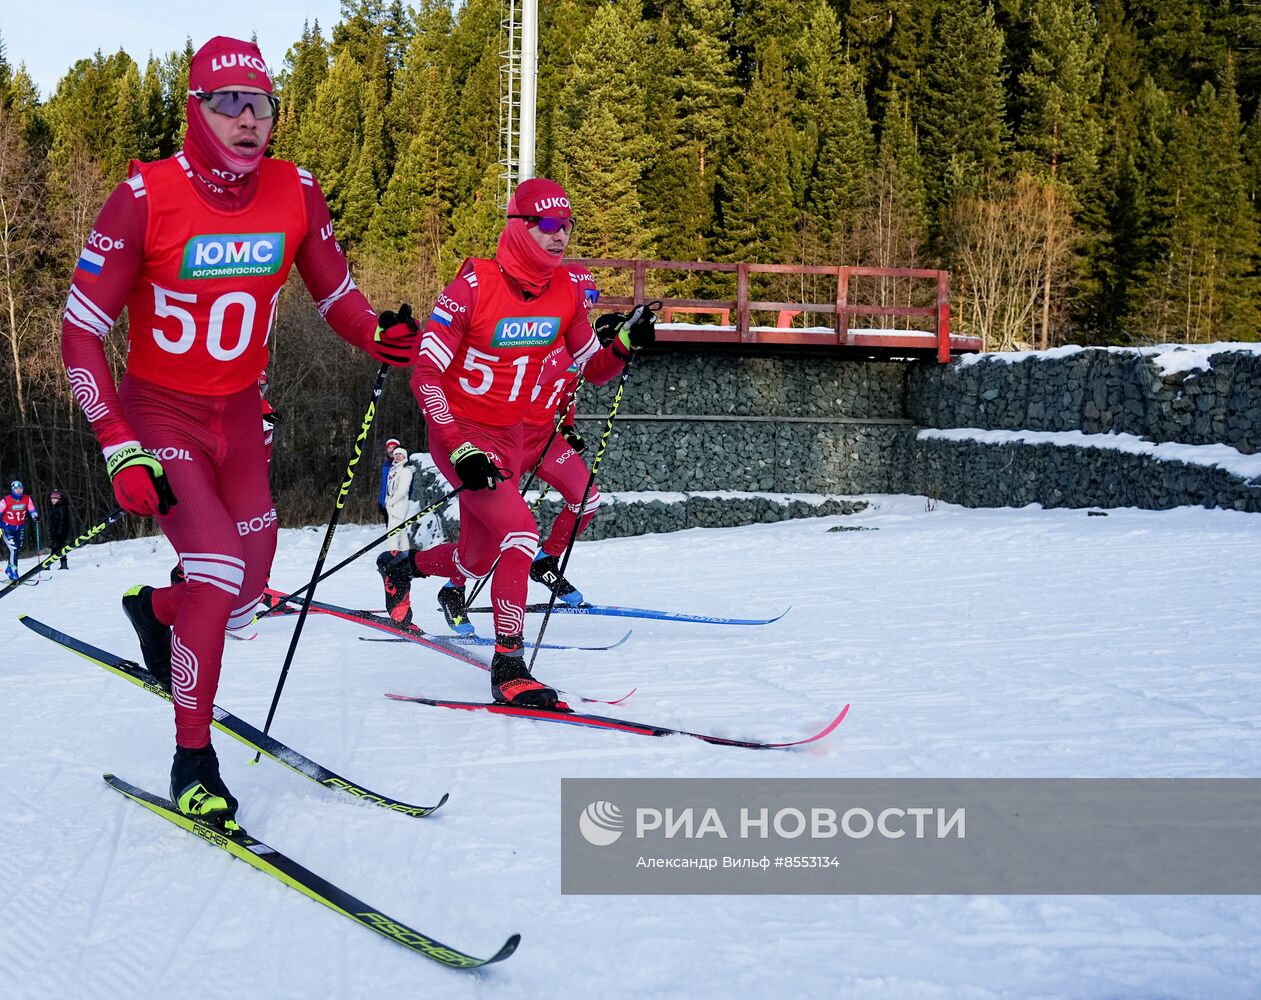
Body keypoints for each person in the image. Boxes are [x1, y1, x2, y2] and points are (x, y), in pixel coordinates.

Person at [60, 36, 418, 829]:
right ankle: (194, 759)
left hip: (239, 414)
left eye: (261, 104)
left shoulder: (296, 191)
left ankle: (157, 611)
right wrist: (118, 440)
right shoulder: (144, 196)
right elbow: (80, 331)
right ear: (195, 110)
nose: (249, 119)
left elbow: (336, 295)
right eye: (229, 103)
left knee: (247, 597)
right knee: (218, 569)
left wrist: (376, 335)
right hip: (160, 414)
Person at [379, 176, 654, 708]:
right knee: (521, 536)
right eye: (550, 225)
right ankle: (509, 665)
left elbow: (590, 371)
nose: (561, 235)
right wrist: (459, 446)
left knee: (474, 563)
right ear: (519, 227)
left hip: (520, 434)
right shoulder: (474, 287)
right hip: (463, 437)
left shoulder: (568, 291)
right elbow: (425, 373)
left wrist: (623, 343)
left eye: (567, 226)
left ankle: (401, 567)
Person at [1, 481, 38, 581]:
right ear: (12, 489)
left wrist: (35, 517)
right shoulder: (5, 500)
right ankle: (14, 571)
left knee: (16, 550)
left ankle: (10, 568)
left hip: (19, 528)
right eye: (16, 488)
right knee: (13, 549)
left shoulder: (26, 498)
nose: (19, 490)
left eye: (20, 488)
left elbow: (32, 509)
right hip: (7, 528)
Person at [384, 446, 414, 554]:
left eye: (400, 454)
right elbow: (389, 489)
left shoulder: (406, 470)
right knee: (401, 531)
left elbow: (402, 490)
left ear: (404, 456)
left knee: (392, 530)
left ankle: (392, 554)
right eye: (395, 454)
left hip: (400, 504)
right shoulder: (393, 470)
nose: (397, 456)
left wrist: (391, 502)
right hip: (392, 504)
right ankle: (405, 554)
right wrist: (388, 501)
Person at [47, 490, 74, 569]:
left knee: (56, 548)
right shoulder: (56, 507)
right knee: (58, 549)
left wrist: (59, 532)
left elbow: (63, 521)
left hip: (60, 533)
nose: (52, 500)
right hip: (56, 532)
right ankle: (63, 565)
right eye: (52, 499)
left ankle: (48, 564)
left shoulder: (61, 507)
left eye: (54, 499)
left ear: (58, 499)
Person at [378, 437, 401, 520]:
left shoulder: (401, 463)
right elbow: (384, 485)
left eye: (393, 448)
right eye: (389, 448)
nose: (391, 450)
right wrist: (381, 502)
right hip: (387, 504)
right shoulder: (386, 464)